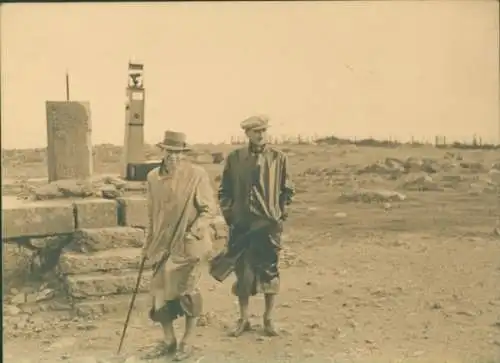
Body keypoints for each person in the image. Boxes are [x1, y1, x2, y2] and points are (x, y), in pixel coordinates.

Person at [141, 130, 216, 361]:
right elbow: (152, 214)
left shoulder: (197, 175)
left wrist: (195, 231)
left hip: (188, 245)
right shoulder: (153, 177)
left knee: (188, 293)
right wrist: (148, 244)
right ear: (162, 151)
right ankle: (168, 340)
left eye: (179, 153)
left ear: (184, 154)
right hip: (162, 245)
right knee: (160, 294)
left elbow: (208, 210)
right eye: (170, 152)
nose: (174, 157)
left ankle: (188, 342)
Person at [218, 115, 295, 337]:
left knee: (269, 270)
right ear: (247, 134)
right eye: (255, 131)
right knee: (243, 272)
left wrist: (279, 214)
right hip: (242, 225)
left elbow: (287, 190)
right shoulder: (234, 158)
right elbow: (225, 190)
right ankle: (243, 319)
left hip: (268, 225)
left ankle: (268, 319)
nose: (260, 135)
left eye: (263, 130)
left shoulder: (279, 158)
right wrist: (230, 215)